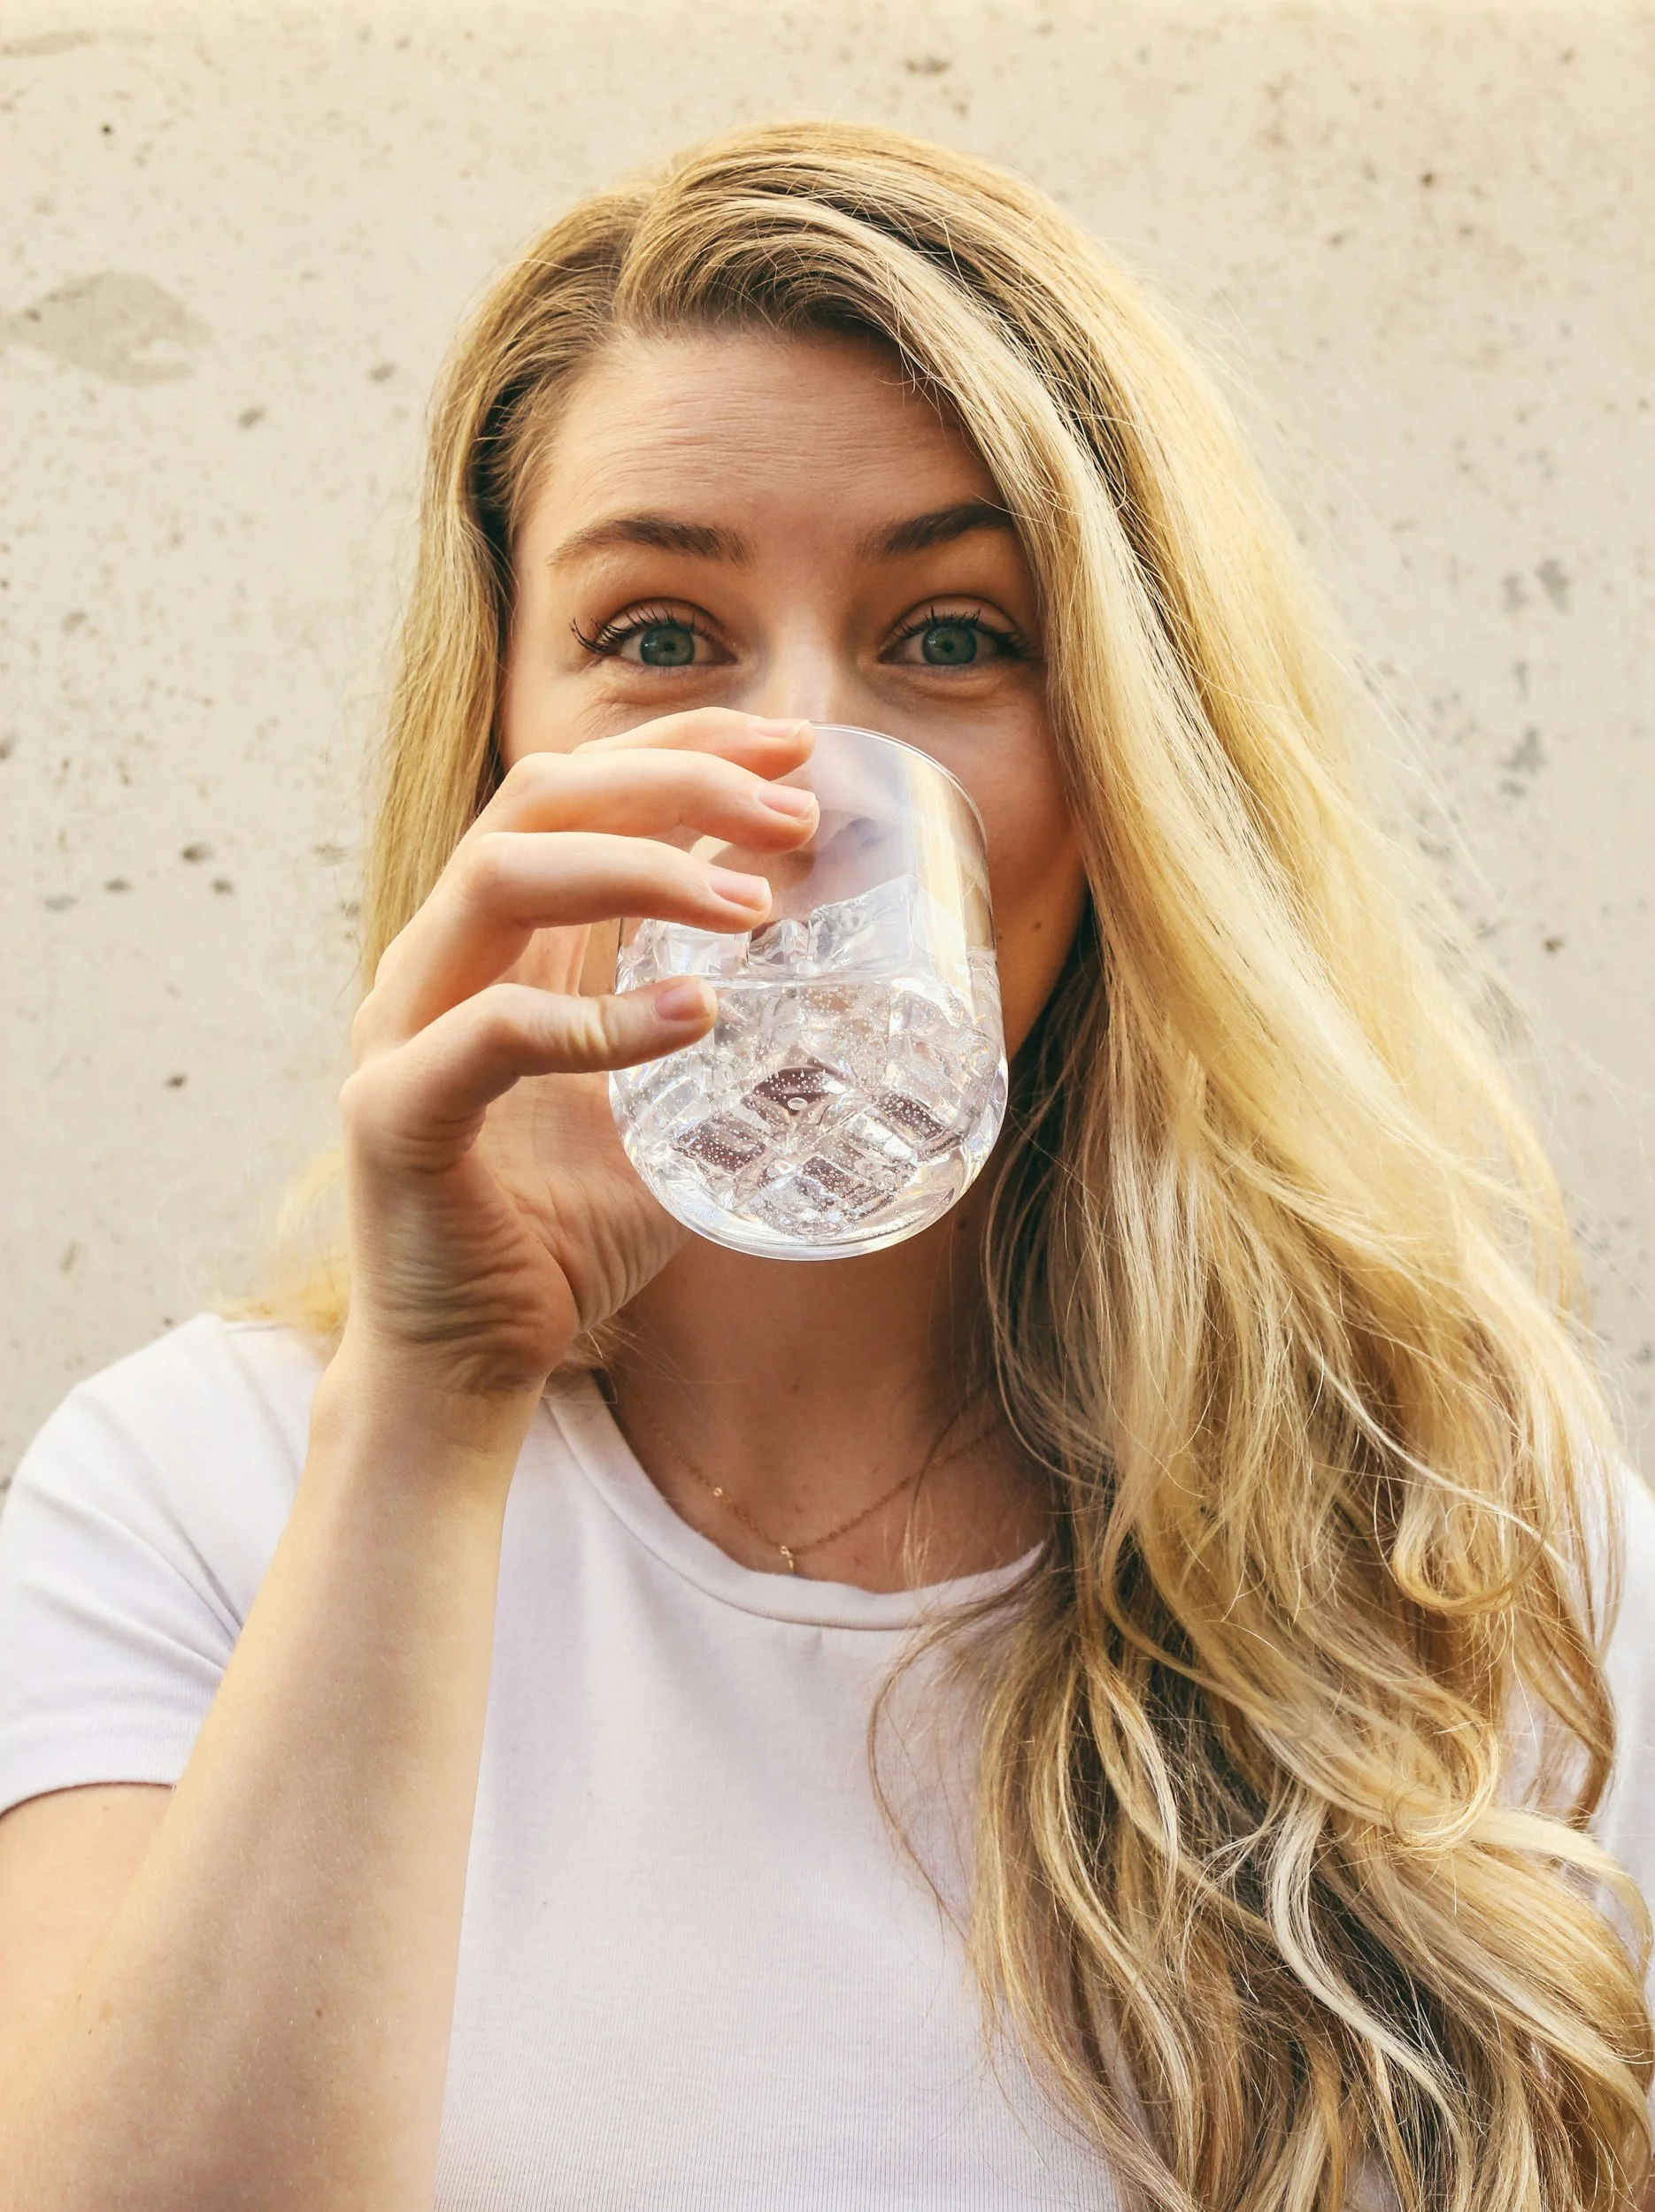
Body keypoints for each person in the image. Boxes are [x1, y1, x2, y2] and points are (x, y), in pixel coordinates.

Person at [0, 119, 1650, 2212]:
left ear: (1127, 761)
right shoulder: (194, 1503)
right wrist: (432, 1403)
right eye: (661, 635)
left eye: (950, 635)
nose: (786, 784)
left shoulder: (1478, 1568)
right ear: (504, 729)